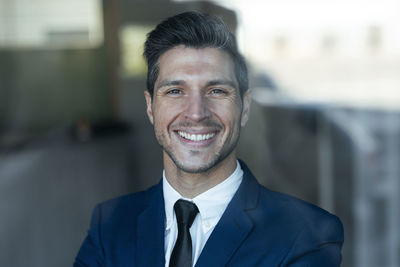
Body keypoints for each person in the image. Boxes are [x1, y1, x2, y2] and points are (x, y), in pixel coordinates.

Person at [74, 11, 344, 267]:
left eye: (216, 90)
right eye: (175, 91)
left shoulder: (307, 234)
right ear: (150, 107)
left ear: (245, 107)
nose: (196, 113)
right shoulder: (110, 224)